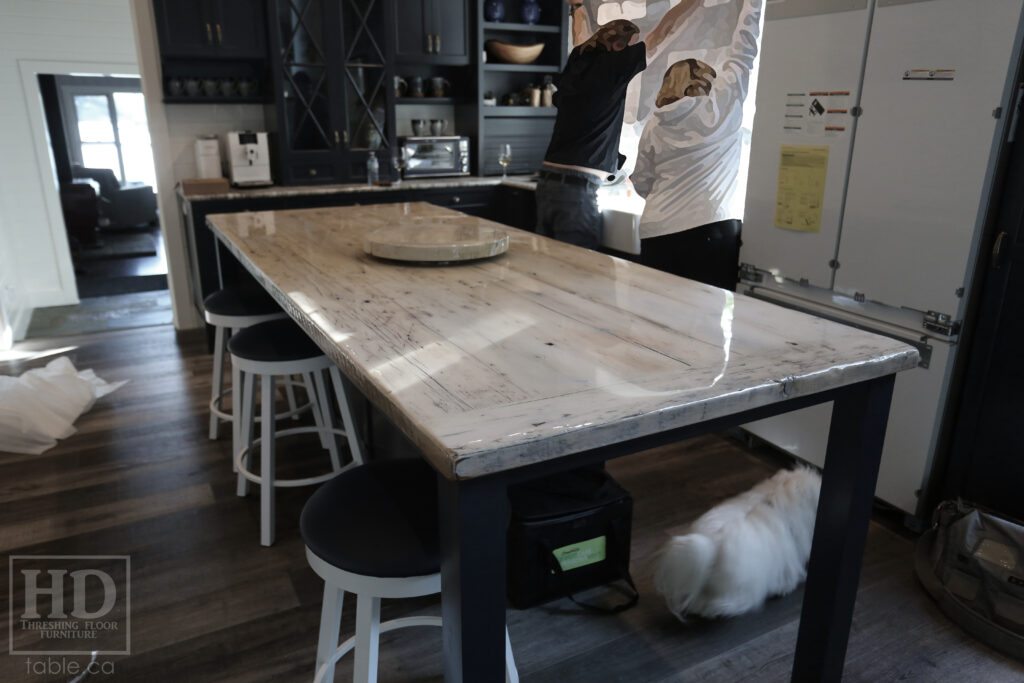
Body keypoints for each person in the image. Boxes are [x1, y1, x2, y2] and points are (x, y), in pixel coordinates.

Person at [536, 0, 702, 249]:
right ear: (617, 46)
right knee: (577, 272)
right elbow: (662, 33)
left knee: (552, 268)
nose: (632, 55)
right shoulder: (612, 68)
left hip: (549, 185)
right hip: (576, 191)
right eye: (631, 47)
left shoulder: (579, 61)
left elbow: (581, 36)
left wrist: (578, 7)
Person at [630, 0, 764, 291]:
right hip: (710, 230)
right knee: (703, 325)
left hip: (657, 232)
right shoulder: (724, 105)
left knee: (656, 318)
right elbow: (744, 50)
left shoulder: (655, 124)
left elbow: (642, 182)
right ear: (707, 81)